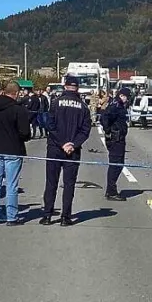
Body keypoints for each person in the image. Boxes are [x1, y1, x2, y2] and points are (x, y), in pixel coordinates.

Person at [40, 76, 91, 226]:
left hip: (55, 148)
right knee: (69, 184)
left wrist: (62, 143)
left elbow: (50, 125)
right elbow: (85, 130)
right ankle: (65, 217)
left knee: (51, 182)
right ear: (78, 88)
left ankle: (47, 215)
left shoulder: (55, 103)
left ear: (64, 86)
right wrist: (73, 144)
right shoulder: (83, 107)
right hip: (73, 151)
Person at [0, 81, 31, 226]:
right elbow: (25, 133)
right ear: (16, 93)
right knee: (12, 185)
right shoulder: (19, 110)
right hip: (13, 150)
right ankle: (11, 217)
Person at [101, 87, 131, 201]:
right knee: (115, 164)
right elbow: (105, 117)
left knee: (119, 164)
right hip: (116, 139)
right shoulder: (116, 106)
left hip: (118, 138)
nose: (127, 100)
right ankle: (111, 191)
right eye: (127, 98)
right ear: (122, 96)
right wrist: (109, 131)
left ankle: (111, 189)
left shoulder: (117, 104)